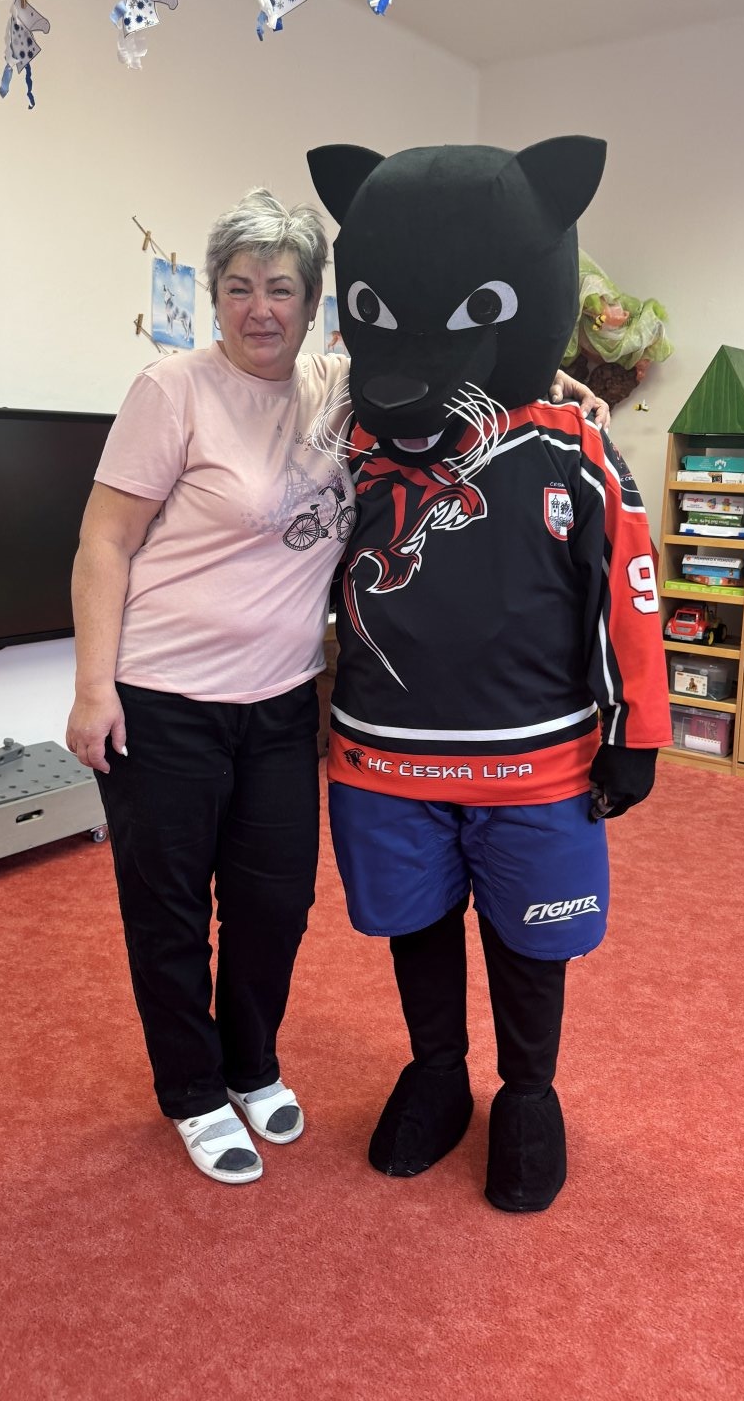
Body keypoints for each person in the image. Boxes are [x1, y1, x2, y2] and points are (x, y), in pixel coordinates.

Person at [67, 185, 606, 1187]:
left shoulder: (339, 386)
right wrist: (92, 686)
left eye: (281, 288)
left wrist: (554, 380)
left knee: (274, 903)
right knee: (172, 911)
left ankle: (251, 1064)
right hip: (164, 699)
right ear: (214, 296)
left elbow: (458, 360)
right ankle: (193, 1090)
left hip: (282, 703)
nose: (259, 308)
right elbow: (104, 541)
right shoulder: (172, 390)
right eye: (238, 287)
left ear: (317, 303)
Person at [307, 137, 671, 1212]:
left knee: (531, 936)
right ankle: (436, 1070)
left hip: (537, 764)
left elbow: (629, 593)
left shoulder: (573, 450)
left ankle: (528, 1090)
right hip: (384, 758)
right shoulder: (350, 445)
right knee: (415, 924)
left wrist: (636, 730)